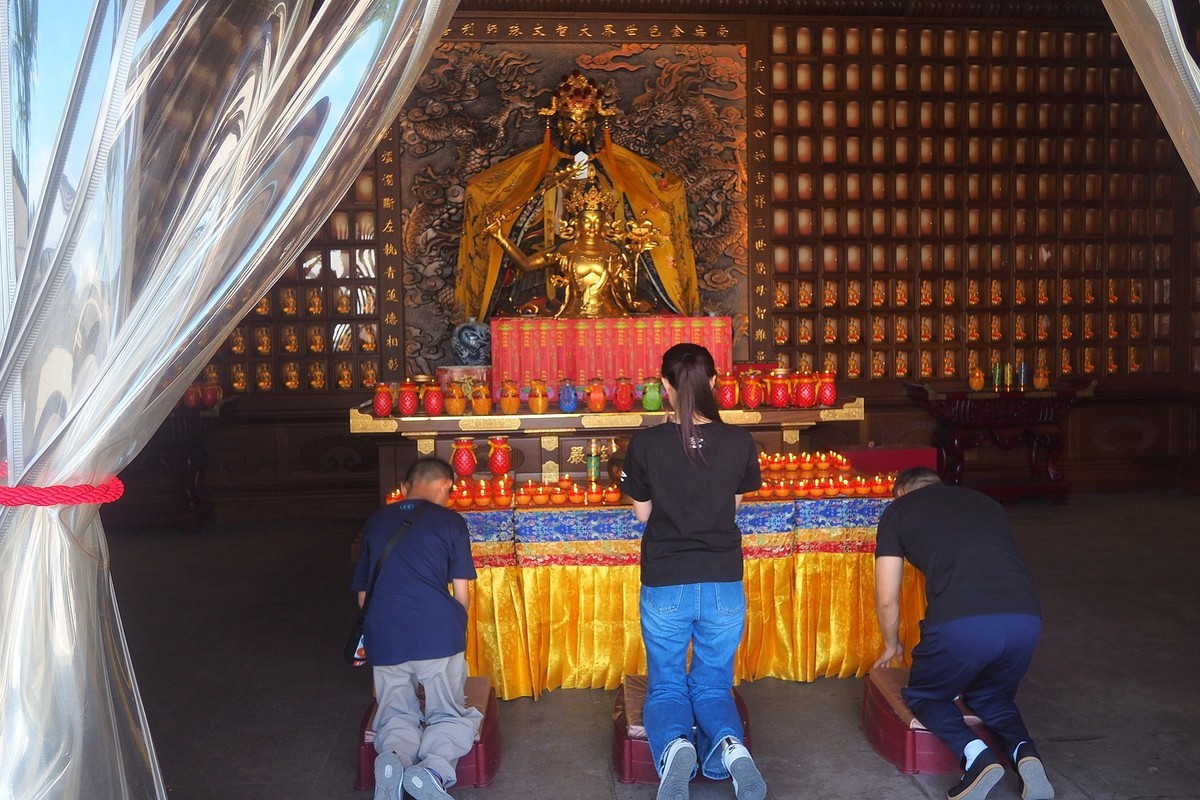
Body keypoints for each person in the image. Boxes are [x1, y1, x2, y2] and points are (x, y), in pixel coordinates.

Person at [620, 343, 767, 800]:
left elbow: (643, 514)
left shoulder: (646, 444)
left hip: (666, 579)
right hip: (723, 578)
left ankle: (675, 746)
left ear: (664, 385)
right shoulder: (740, 441)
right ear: (715, 383)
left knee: (667, 684)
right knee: (713, 682)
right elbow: (731, 506)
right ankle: (730, 748)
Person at [456, 70, 700, 319]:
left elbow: (649, 195)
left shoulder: (614, 166)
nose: (579, 129)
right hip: (556, 239)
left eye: (585, 122)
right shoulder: (542, 166)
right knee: (529, 248)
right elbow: (517, 212)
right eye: (571, 122)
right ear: (559, 124)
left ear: (595, 125)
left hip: (605, 243)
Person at [873, 467, 1054, 800]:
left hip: (962, 622)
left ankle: (976, 757)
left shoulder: (898, 510)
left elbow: (886, 597)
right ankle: (1026, 754)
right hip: (1025, 616)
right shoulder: (985, 502)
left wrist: (891, 643)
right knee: (991, 695)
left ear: (900, 493)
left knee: (926, 696)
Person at [351, 458, 482, 800]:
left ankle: (393, 759)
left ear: (405, 487)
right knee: (447, 712)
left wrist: (385, 627)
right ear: (445, 486)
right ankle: (432, 769)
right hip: (437, 630)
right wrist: (453, 627)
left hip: (385, 632)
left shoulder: (376, 521)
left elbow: (364, 597)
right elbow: (462, 594)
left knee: (394, 710)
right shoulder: (451, 522)